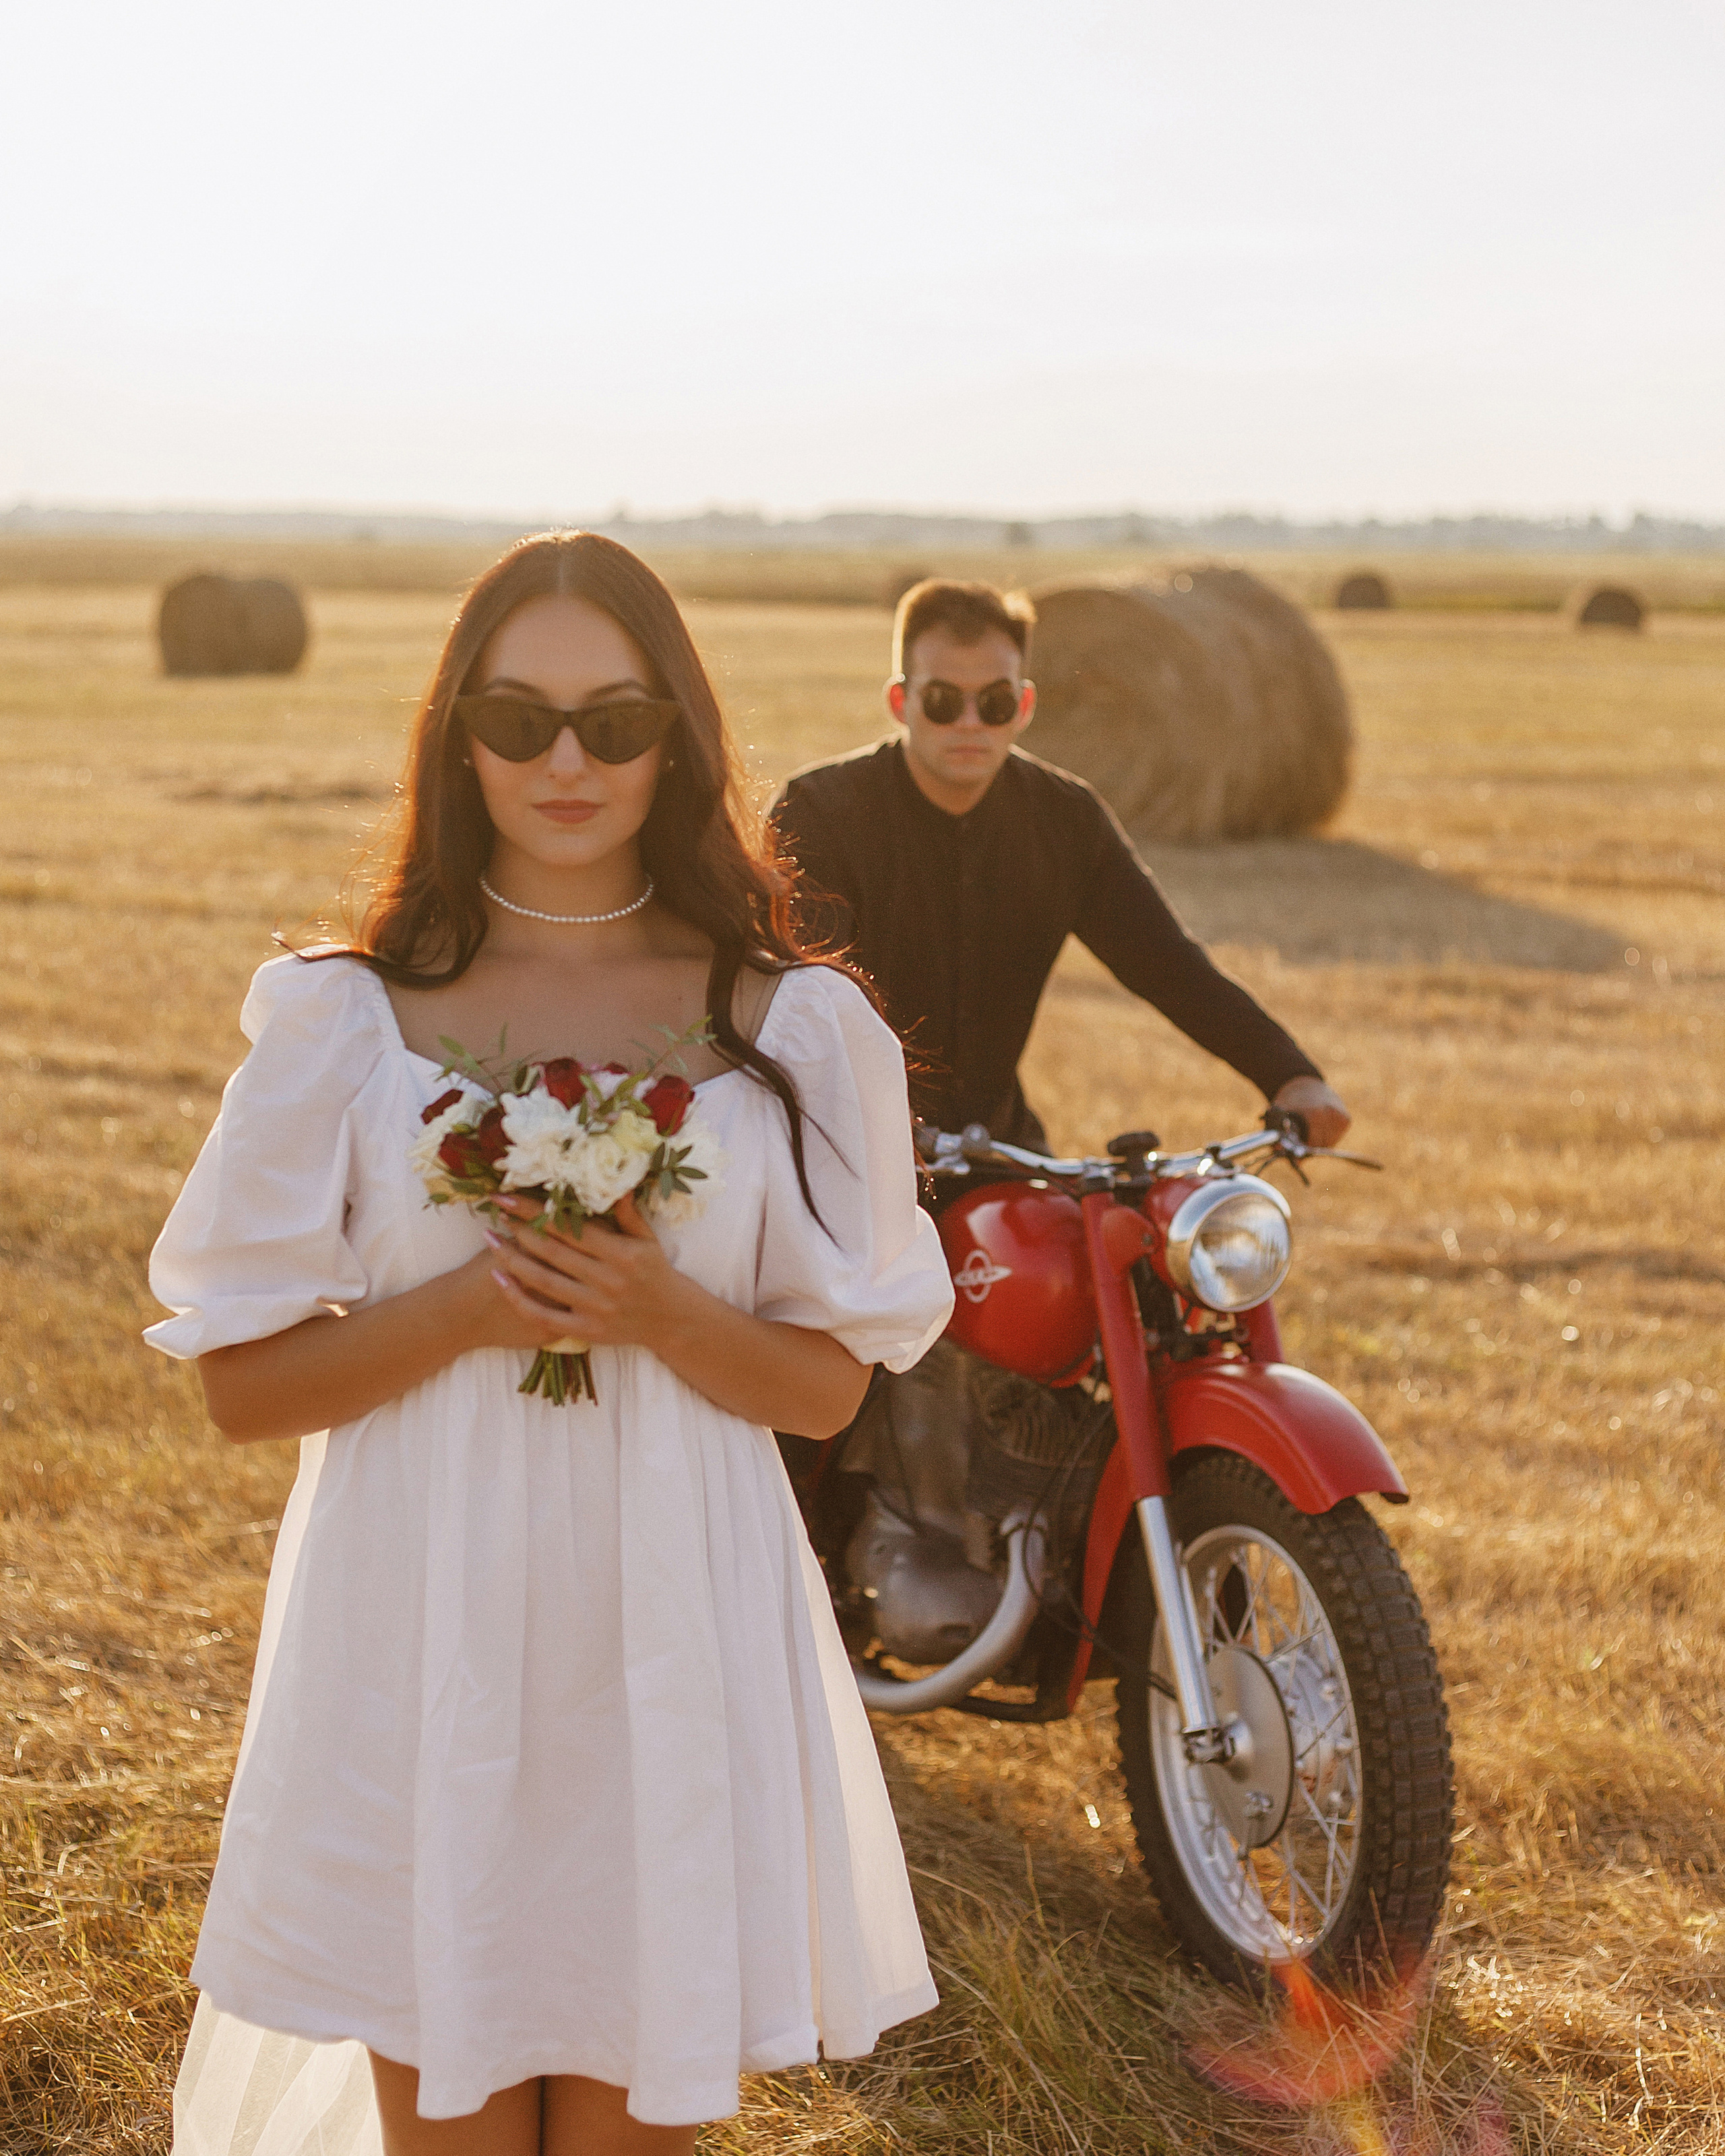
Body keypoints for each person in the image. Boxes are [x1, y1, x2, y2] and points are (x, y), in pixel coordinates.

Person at [146, 533, 953, 2156]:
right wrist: (460, 1310)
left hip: (667, 1642)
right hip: (417, 1636)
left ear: (680, 735)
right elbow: (242, 1389)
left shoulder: (787, 1027)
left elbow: (825, 1387)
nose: (567, 761)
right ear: (457, 738)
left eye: (613, 718)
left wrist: (661, 1313)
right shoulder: (347, 1017)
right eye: (518, 722)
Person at [772, 578, 1350, 1153]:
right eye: (943, 701)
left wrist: (1290, 1074)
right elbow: (806, 1002)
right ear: (901, 703)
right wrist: (877, 1125)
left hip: (999, 1151)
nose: (970, 722)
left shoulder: (1066, 819)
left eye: (994, 702)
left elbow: (1168, 965)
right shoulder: (821, 813)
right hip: (844, 1151)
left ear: (1024, 706)